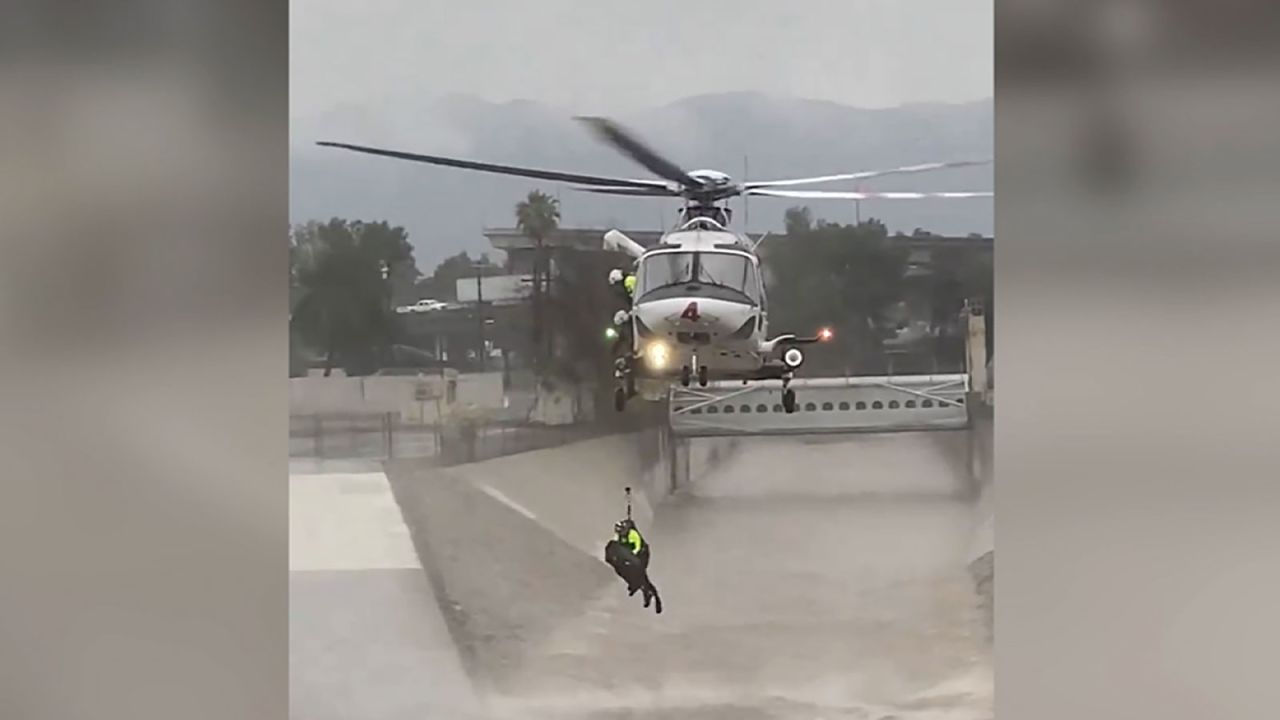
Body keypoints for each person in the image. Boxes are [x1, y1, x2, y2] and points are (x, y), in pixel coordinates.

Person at [605, 518, 662, 614]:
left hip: (641, 555)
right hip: (630, 555)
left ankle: (650, 594)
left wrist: (630, 558)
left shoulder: (632, 535)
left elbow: (637, 548)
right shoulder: (620, 536)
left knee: (641, 575)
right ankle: (636, 584)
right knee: (625, 571)